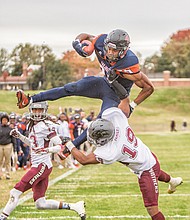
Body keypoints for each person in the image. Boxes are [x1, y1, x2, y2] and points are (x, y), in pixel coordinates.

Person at [16, 29, 154, 148]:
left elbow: (148, 88)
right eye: (108, 48)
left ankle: (70, 147)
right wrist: (77, 43)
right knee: (71, 87)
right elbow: (85, 35)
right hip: (103, 84)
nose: (110, 52)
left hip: (116, 95)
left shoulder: (130, 64)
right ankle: (30, 100)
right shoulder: (101, 42)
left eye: (114, 50)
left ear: (123, 51)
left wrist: (132, 105)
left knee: (99, 124)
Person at [59, 107, 183, 220]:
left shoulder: (110, 151)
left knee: (152, 209)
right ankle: (173, 181)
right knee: (156, 171)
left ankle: (172, 181)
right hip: (148, 155)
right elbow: (123, 102)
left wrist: (70, 144)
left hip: (146, 168)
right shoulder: (118, 120)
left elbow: (84, 160)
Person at [0, 102, 86, 220]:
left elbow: (59, 146)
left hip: (41, 166)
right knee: (41, 203)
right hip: (40, 165)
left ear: (44, 111)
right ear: (31, 110)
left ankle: (2, 217)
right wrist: (19, 136)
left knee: (15, 192)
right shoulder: (32, 125)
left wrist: (46, 150)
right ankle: (75, 206)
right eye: (35, 110)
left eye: (39, 110)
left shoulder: (47, 125)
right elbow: (33, 143)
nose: (37, 113)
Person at [0, 113, 16, 180]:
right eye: (3, 120)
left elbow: (13, 139)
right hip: (0, 145)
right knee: (0, 161)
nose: (4, 121)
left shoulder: (10, 129)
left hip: (8, 145)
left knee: (8, 161)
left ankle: (7, 174)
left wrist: (14, 147)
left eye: (5, 120)